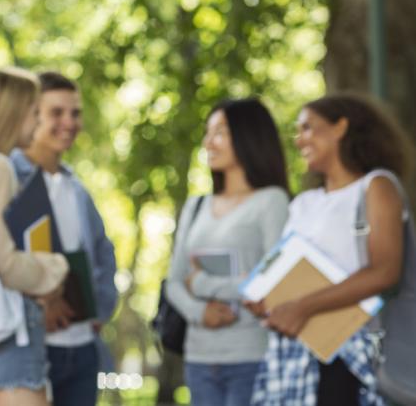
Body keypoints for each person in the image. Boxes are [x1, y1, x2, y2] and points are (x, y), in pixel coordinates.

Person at [249, 93, 413, 405]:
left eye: (308, 128)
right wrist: (265, 298)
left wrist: (303, 306)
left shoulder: (376, 186)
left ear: (341, 127)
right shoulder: (304, 203)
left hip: (356, 351)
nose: (299, 140)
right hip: (298, 355)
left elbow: (385, 271)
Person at [166, 98, 290, 406]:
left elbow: (275, 281)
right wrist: (200, 312)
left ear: (248, 137)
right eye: (208, 133)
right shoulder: (196, 206)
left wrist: (202, 283)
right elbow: (174, 281)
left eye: (220, 132)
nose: (209, 142)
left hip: (251, 357)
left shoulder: (272, 201)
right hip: (199, 360)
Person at [0, 67, 70, 406]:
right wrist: (53, 269)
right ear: (12, 114)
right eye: (34, 112)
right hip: (9, 344)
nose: (38, 123)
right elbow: (1, 260)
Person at [9, 71, 118, 406]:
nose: (69, 122)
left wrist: (98, 311)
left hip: (83, 350)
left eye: (75, 113)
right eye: (57, 112)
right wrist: (41, 306)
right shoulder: (6, 179)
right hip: (30, 351)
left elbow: (103, 254)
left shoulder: (76, 190)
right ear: (31, 114)